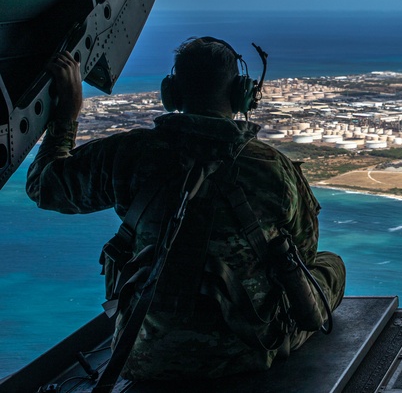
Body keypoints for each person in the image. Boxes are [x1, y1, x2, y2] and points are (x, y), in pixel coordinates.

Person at [27, 37, 346, 381]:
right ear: (243, 93)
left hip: (143, 354)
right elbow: (303, 254)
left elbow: (44, 187)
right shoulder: (274, 169)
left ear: (171, 94)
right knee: (330, 264)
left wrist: (66, 115)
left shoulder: (129, 155)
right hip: (248, 352)